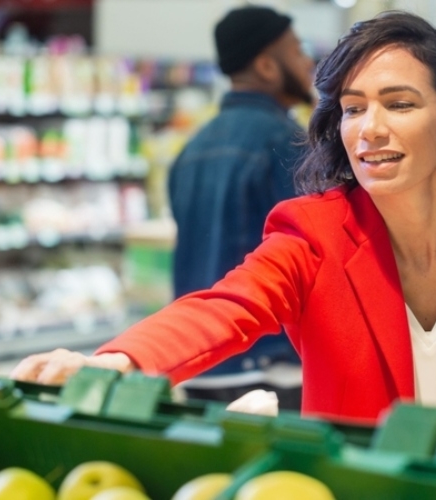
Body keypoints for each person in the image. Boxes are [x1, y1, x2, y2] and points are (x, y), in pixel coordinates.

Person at [12, 11, 436, 440]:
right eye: (353, 108)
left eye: (399, 104)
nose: (369, 128)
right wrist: (119, 361)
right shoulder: (314, 232)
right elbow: (225, 307)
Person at [166, 5, 315, 407]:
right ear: (267, 66)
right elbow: (314, 252)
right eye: (298, 51)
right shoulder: (288, 143)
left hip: (199, 358)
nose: (308, 63)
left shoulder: (191, 148)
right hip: (268, 370)